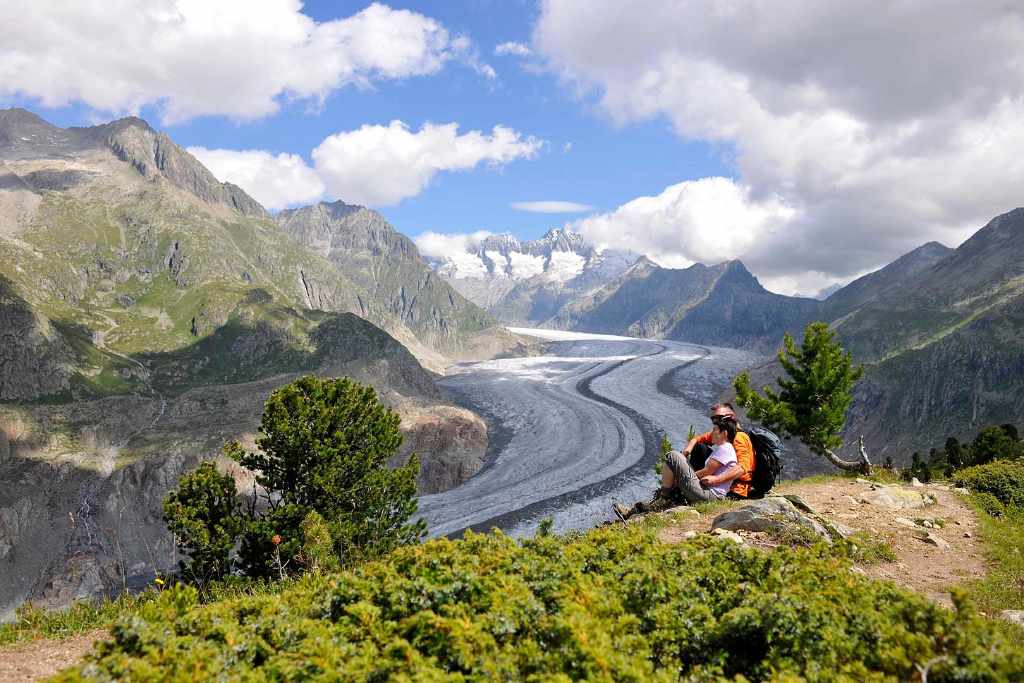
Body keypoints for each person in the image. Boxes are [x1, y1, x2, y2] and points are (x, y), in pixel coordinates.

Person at [613, 416, 745, 520]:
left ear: (724, 433)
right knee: (676, 461)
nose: (712, 433)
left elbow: (707, 472)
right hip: (708, 493)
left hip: (709, 495)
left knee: (673, 456)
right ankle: (661, 500)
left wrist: (681, 477)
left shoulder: (725, 449)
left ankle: (665, 498)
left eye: (715, 430)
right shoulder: (725, 449)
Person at [685, 402, 755, 499]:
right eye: (714, 419)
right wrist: (687, 451)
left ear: (730, 417)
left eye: (718, 418)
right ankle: (691, 485)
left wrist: (717, 479)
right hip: (726, 482)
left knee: (699, 449)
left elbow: (742, 468)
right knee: (699, 447)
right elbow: (698, 439)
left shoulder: (739, 437)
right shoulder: (725, 433)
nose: (715, 422)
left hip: (736, 489)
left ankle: (689, 487)